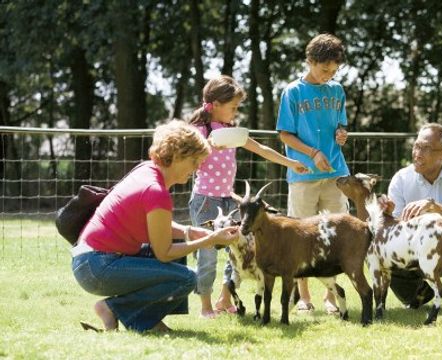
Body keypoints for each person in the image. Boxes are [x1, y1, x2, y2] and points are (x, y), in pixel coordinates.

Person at [71, 120, 239, 333]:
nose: (198, 168)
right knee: (188, 278)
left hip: (91, 261)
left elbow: (158, 227)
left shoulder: (147, 169)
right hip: (97, 267)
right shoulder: (156, 191)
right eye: (195, 161)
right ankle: (113, 309)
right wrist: (209, 240)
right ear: (178, 156)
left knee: (180, 245)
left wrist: (189, 232)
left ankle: (147, 320)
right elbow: (164, 253)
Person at [188, 75, 308, 319]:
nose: (235, 112)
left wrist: (290, 163)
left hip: (230, 201)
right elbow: (188, 161)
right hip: (206, 201)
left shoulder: (232, 131)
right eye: (233, 107)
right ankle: (206, 307)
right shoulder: (198, 131)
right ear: (215, 105)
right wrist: (207, 147)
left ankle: (224, 298)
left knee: (238, 252)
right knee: (208, 255)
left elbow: (261, 149)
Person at [276, 33, 350, 314]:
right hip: (303, 174)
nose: (327, 76)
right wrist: (312, 153)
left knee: (336, 235)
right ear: (309, 61)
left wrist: (342, 135)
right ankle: (303, 296)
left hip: (335, 173)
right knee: (301, 237)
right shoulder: (292, 92)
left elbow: (341, 127)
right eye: (323, 70)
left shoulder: (337, 90)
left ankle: (331, 296)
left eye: (333, 71)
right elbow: (285, 134)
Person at [380, 122, 442, 311]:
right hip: (416, 255)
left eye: (426, 148)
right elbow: (395, 230)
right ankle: (418, 296)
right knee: (384, 244)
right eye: (417, 145)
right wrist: (386, 215)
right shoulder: (401, 179)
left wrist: (434, 208)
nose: (417, 153)